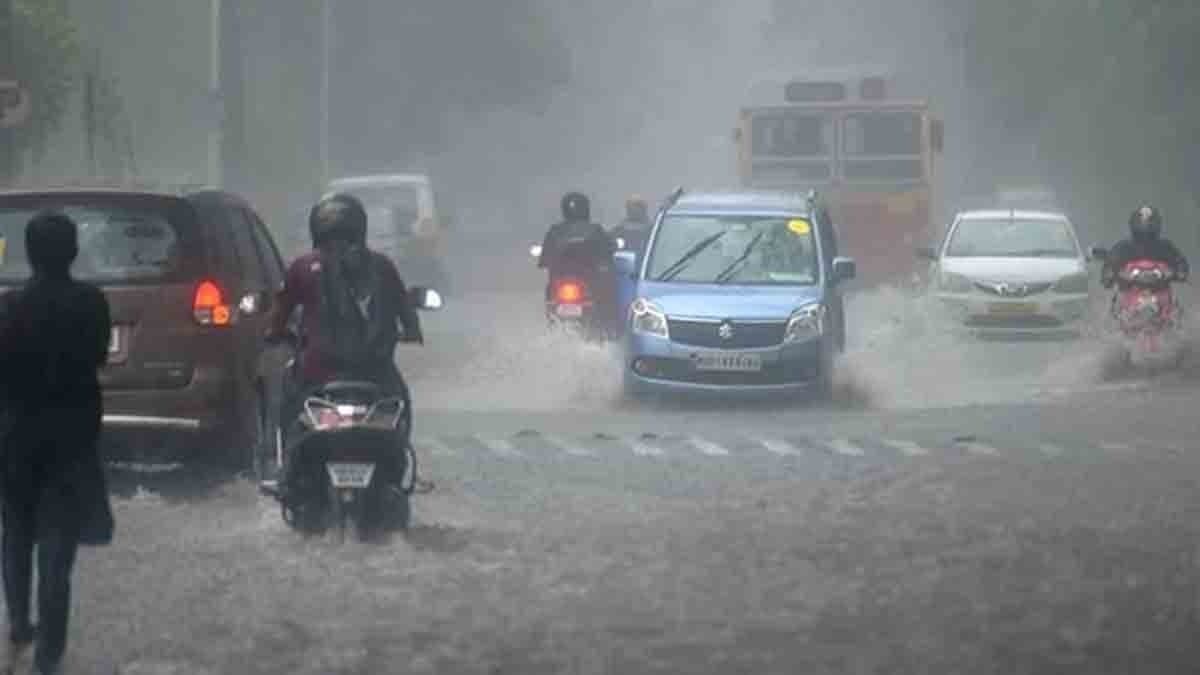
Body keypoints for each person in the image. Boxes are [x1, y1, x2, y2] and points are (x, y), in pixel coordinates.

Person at [0, 211, 114, 675]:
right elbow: (99, 356)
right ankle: (49, 652)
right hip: (71, 438)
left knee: (16, 532)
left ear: (29, 253)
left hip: (15, 436)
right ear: (72, 251)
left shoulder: (8, 306)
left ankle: (19, 626)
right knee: (56, 544)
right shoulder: (91, 302)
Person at [266, 193, 423, 488]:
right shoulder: (382, 266)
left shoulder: (302, 267)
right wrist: (411, 333)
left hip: (316, 374)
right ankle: (400, 475)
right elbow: (406, 313)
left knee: (286, 400)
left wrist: (274, 334)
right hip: (375, 374)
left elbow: (279, 313)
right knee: (401, 402)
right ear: (360, 227)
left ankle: (285, 474)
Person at [537, 192, 617, 329]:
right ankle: (608, 328)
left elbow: (544, 260)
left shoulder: (555, 230)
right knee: (608, 295)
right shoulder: (596, 230)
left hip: (562, 282)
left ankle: (553, 323)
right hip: (588, 283)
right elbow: (608, 251)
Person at [1101, 205, 1190, 288]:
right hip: (1128, 295)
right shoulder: (1124, 247)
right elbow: (1111, 262)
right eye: (1141, 225)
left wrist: (1179, 271)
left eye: (1149, 225)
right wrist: (1110, 273)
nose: (1145, 229)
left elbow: (1180, 262)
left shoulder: (1165, 247)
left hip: (1162, 296)